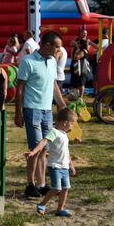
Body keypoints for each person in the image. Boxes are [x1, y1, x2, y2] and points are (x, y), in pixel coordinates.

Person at [14, 31, 68, 198]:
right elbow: (20, 88)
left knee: (44, 149)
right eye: (57, 46)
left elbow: (53, 85)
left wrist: (62, 105)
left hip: (47, 110)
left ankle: (42, 184)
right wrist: (18, 112)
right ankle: (30, 184)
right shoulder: (27, 61)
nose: (60, 50)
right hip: (32, 109)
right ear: (47, 45)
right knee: (35, 148)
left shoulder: (52, 61)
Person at [23, 106, 76, 216]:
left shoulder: (65, 135)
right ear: (65, 123)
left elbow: (66, 152)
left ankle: (60, 209)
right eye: (72, 124)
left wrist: (71, 165)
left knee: (65, 188)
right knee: (56, 188)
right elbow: (43, 142)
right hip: (55, 166)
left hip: (64, 167)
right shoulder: (54, 132)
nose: (72, 126)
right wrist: (33, 152)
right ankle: (42, 204)